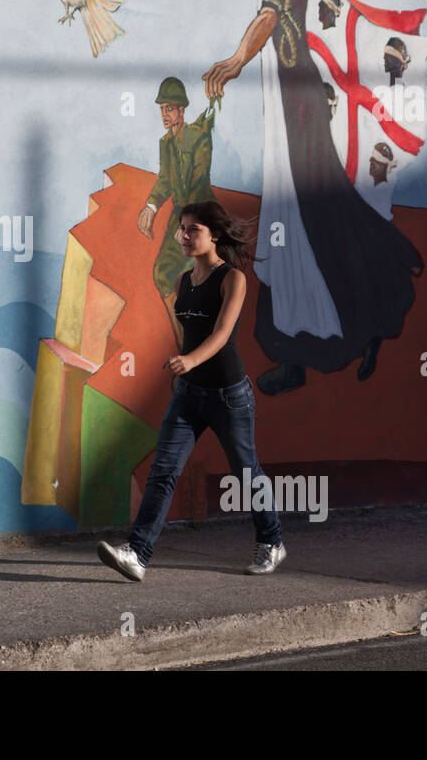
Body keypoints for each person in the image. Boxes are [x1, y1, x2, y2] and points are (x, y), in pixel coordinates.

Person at [202, 0, 423, 395]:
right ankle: (295, 354)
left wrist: (235, 61)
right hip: (284, 108)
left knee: (312, 219)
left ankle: (360, 327)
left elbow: (267, 20)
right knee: (291, 226)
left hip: (297, 108)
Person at [98, 201, 285, 581]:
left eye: (192, 229)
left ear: (214, 235)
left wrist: (191, 361)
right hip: (189, 394)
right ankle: (137, 552)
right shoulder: (183, 280)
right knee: (163, 471)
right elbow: (189, 333)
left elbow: (221, 334)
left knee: (247, 472)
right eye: (181, 229)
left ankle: (272, 540)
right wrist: (185, 367)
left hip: (229, 396)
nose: (183, 236)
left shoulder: (233, 279)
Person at [137, 76, 215, 340]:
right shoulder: (165, 144)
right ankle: (184, 341)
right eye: (162, 109)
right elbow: (165, 180)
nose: (164, 114)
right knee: (162, 274)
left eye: (169, 108)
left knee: (195, 278)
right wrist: (151, 206)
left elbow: (200, 182)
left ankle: (200, 341)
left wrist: (187, 224)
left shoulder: (198, 138)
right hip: (179, 216)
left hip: (202, 214)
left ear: (182, 110)